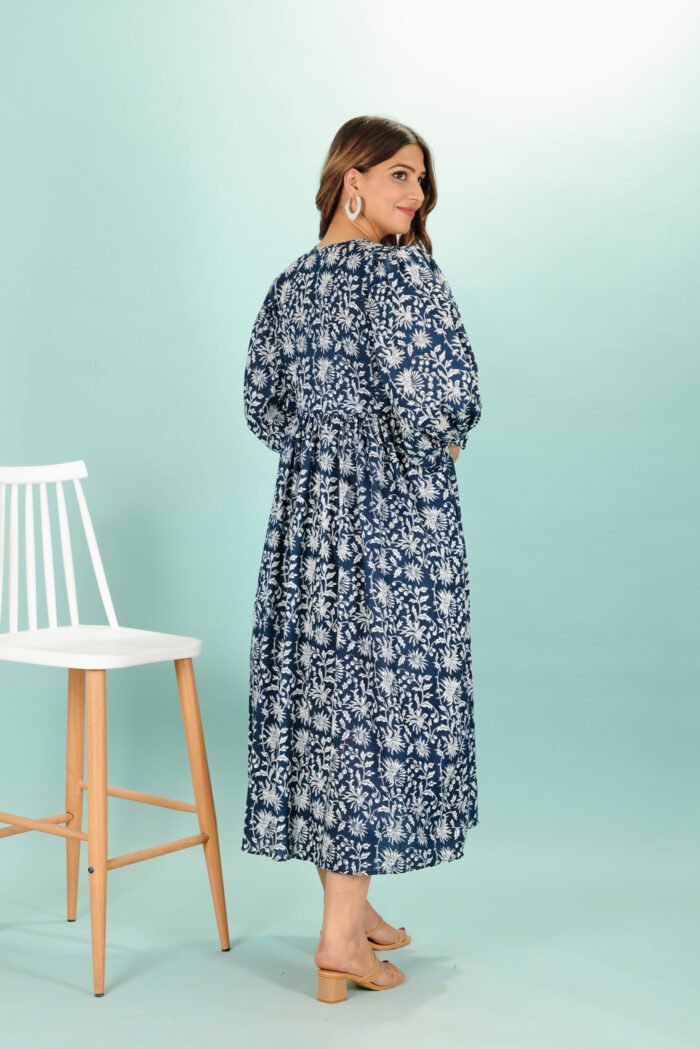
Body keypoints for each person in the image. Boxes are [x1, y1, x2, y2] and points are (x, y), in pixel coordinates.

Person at [241, 115, 483, 1002]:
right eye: (398, 177)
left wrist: (322, 452)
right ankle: (342, 937)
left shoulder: (290, 284)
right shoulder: (406, 274)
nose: (415, 197)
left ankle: (356, 906)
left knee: (329, 706)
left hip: (309, 522)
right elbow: (448, 393)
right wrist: (443, 441)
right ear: (352, 181)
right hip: (394, 519)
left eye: (422, 181)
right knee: (382, 709)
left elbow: (263, 406)